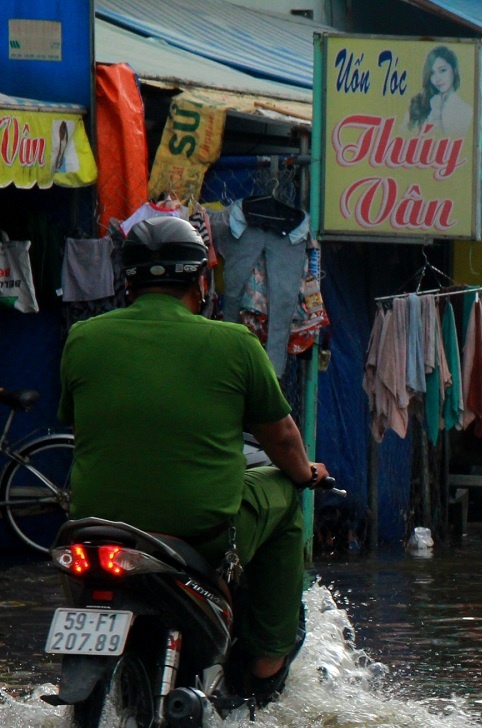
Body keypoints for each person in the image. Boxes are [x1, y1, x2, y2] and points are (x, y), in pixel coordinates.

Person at [61, 214, 329, 702]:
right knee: (286, 492)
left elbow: (85, 427)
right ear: (201, 281)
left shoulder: (84, 338)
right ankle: (267, 657)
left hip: (95, 526)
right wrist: (307, 473)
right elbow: (284, 442)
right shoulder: (234, 344)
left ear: (129, 281)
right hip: (197, 531)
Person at [409, 46, 472, 137]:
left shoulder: (465, 111)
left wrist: (438, 113)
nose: (437, 79)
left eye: (442, 70)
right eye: (432, 73)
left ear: (453, 70)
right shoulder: (422, 102)